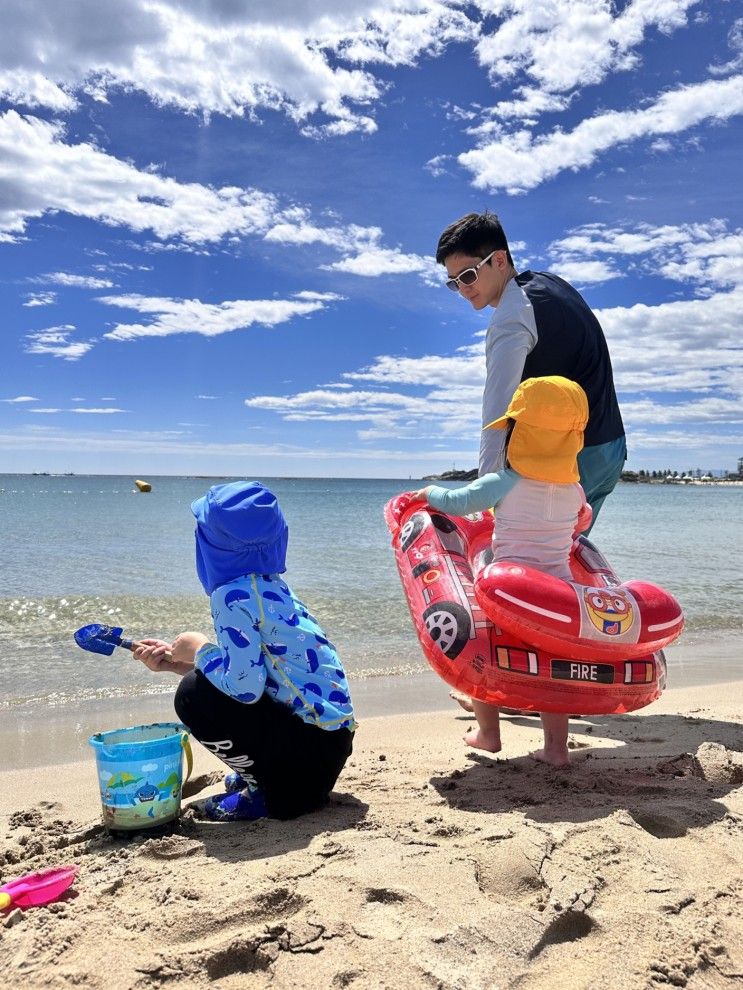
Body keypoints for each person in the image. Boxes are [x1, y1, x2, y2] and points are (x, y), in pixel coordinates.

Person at [133, 480, 356, 822]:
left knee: (191, 696)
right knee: (197, 683)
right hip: (328, 746)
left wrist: (200, 651)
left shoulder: (230, 597)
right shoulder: (272, 588)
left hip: (304, 767)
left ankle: (267, 793)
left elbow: (245, 690)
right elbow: (260, 677)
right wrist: (181, 663)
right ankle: (267, 772)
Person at [415, 375, 591, 768]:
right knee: (552, 673)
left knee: (484, 650)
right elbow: (582, 520)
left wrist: (430, 493)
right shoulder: (574, 490)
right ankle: (556, 750)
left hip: (507, 593)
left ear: (520, 436)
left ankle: (488, 734)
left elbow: (460, 502)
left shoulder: (506, 481)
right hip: (556, 599)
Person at [436, 210, 626, 529]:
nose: (463, 288)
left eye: (468, 275)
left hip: (570, 458)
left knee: (530, 559)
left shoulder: (511, 317)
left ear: (499, 260)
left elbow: (497, 413)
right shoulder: (550, 284)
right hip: (610, 448)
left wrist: (487, 494)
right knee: (564, 554)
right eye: (453, 283)